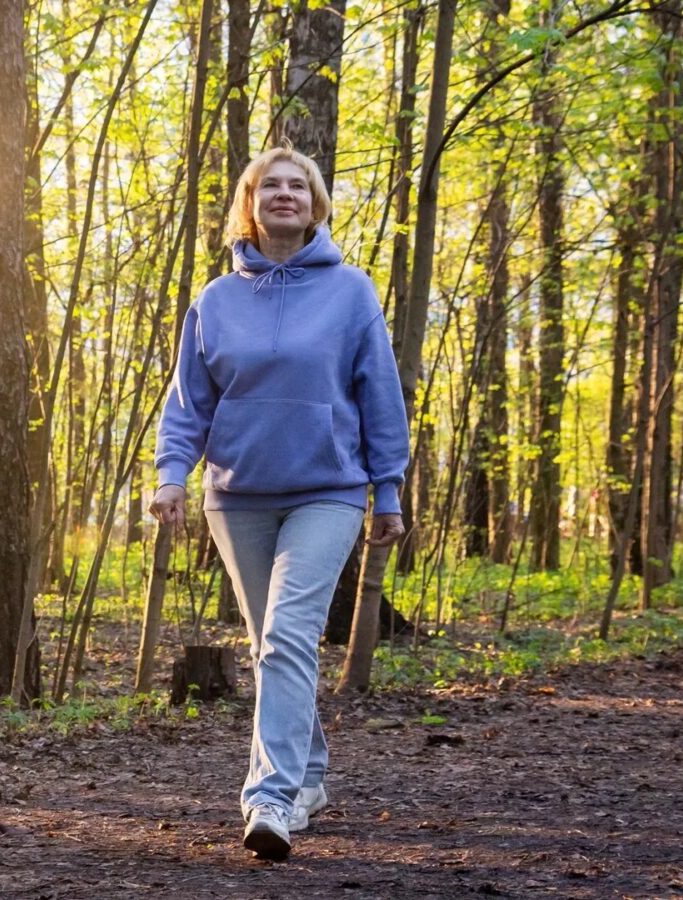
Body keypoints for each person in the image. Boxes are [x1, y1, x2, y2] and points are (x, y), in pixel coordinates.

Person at [149, 145, 409, 861]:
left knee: (288, 636)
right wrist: (173, 475)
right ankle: (312, 775)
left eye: (299, 185)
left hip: (328, 491)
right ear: (250, 203)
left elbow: (379, 395)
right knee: (274, 646)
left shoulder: (351, 291)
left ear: (317, 204)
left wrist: (386, 488)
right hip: (236, 498)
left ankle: (271, 798)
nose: (285, 195)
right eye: (271, 186)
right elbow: (188, 404)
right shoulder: (215, 300)